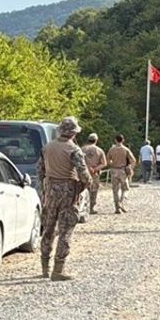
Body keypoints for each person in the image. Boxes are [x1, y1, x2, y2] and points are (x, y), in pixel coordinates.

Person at [37, 117, 93, 280]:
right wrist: (86, 184)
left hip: (51, 191)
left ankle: (45, 268)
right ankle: (58, 270)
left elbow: (40, 171)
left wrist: (44, 190)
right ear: (73, 133)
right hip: (68, 192)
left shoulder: (47, 147)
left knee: (48, 229)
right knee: (65, 230)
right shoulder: (73, 149)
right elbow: (83, 173)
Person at [106, 134, 136, 213]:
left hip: (114, 170)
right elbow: (133, 160)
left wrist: (112, 163)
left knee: (115, 190)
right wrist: (130, 168)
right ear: (123, 140)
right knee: (125, 189)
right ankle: (121, 202)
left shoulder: (111, 150)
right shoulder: (125, 149)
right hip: (123, 171)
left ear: (115, 140)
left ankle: (117, 208)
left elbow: (108, 160)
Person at [81, 133, 107, 215]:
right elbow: (104, 163)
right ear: (96, 140)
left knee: (82, 189)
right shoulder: (99, 150)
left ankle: (82, 207)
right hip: (94, 173)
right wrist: (95, 169)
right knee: (94, 190)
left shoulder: (81, 149)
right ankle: (91, 207)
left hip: (82, 172)